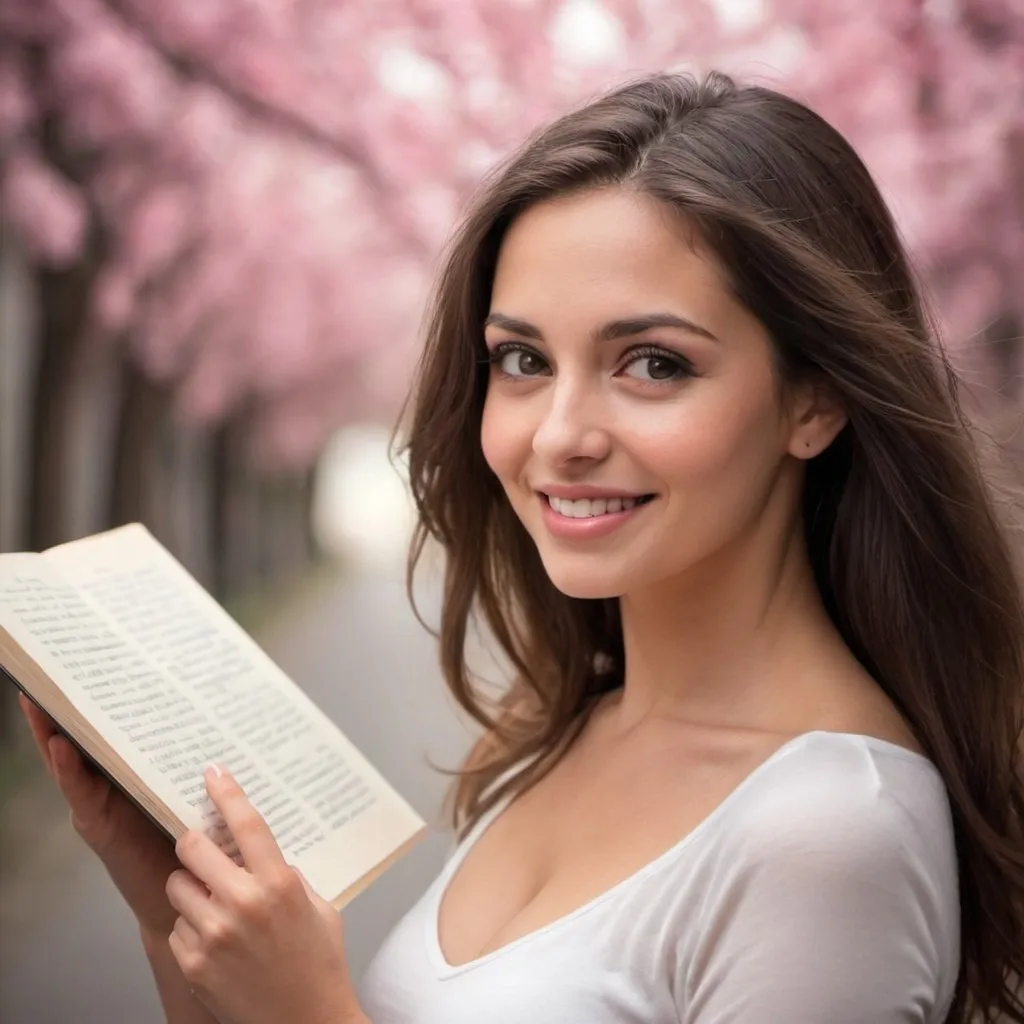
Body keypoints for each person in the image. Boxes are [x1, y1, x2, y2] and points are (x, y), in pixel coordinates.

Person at [19, 70, 1024, 1024]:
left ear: (816, 398)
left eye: (653, 363)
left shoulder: (832, 834)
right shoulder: (569, 730)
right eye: (523, 360)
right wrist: (171, 914)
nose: (558, 435)